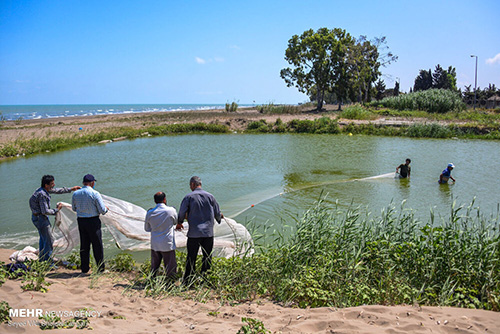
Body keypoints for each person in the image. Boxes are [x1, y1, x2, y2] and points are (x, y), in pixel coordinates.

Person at [177, 176, 222, 285]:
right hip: (208, 233)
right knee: (207, 257)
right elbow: (217, 212)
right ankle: (205, 280)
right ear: (200, 184)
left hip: (194, 234)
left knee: (191, 257)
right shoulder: (210, 196)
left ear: (192, 184)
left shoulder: (188, 197)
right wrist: (219, 219)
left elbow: (182, 212)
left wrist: (180, 223)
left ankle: (188, 281)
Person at [29, 175, 80, 262]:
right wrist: (57, 210)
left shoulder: (42, 190)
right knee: (49, 240)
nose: (54, 185)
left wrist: (71, 189)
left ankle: (42, 259)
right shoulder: (42, 194)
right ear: (46, 185)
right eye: (52, 183)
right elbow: (45, 211)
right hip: (40, 218)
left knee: (43, 238)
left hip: (37, 217)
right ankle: (48, 262)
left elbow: (56, 191)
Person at [71, 174, 108, 273]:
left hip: (81, 221)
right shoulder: (95, 193)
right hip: (93, 221)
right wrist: (106, 209)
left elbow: (74, 208)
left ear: (83, 183)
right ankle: (100, 269)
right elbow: (102, 210)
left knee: (84, 245)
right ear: (92, 183)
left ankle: (84, 269)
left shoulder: (75, 194)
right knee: (97, 245)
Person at [144, 192, 178, 278]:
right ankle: (171, 282)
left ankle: (152, 281)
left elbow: (147, 229)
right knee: (170, 266)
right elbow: (175, 222)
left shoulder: (150, 213)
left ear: (155, 201)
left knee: (154, 266)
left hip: (155, 243)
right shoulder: (171, 210)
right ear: (164, 199)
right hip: (167, 243)